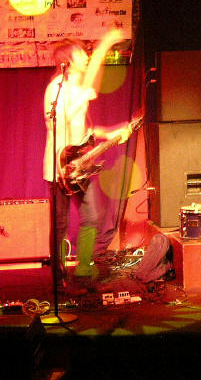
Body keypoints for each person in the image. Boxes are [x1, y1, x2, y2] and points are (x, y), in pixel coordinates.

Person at [44, 29, 132, 293]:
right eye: (81, 54)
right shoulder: (58, 89)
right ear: (68, 61)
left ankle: (83, 271)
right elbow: (58, 127)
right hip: (60, 167)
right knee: (60, 226)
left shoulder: (76, 88)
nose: (86, 57)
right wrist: (105, 44)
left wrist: (111, 132)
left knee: (92, 217)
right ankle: (59, 280)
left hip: (80, 166)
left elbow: (83, 131)